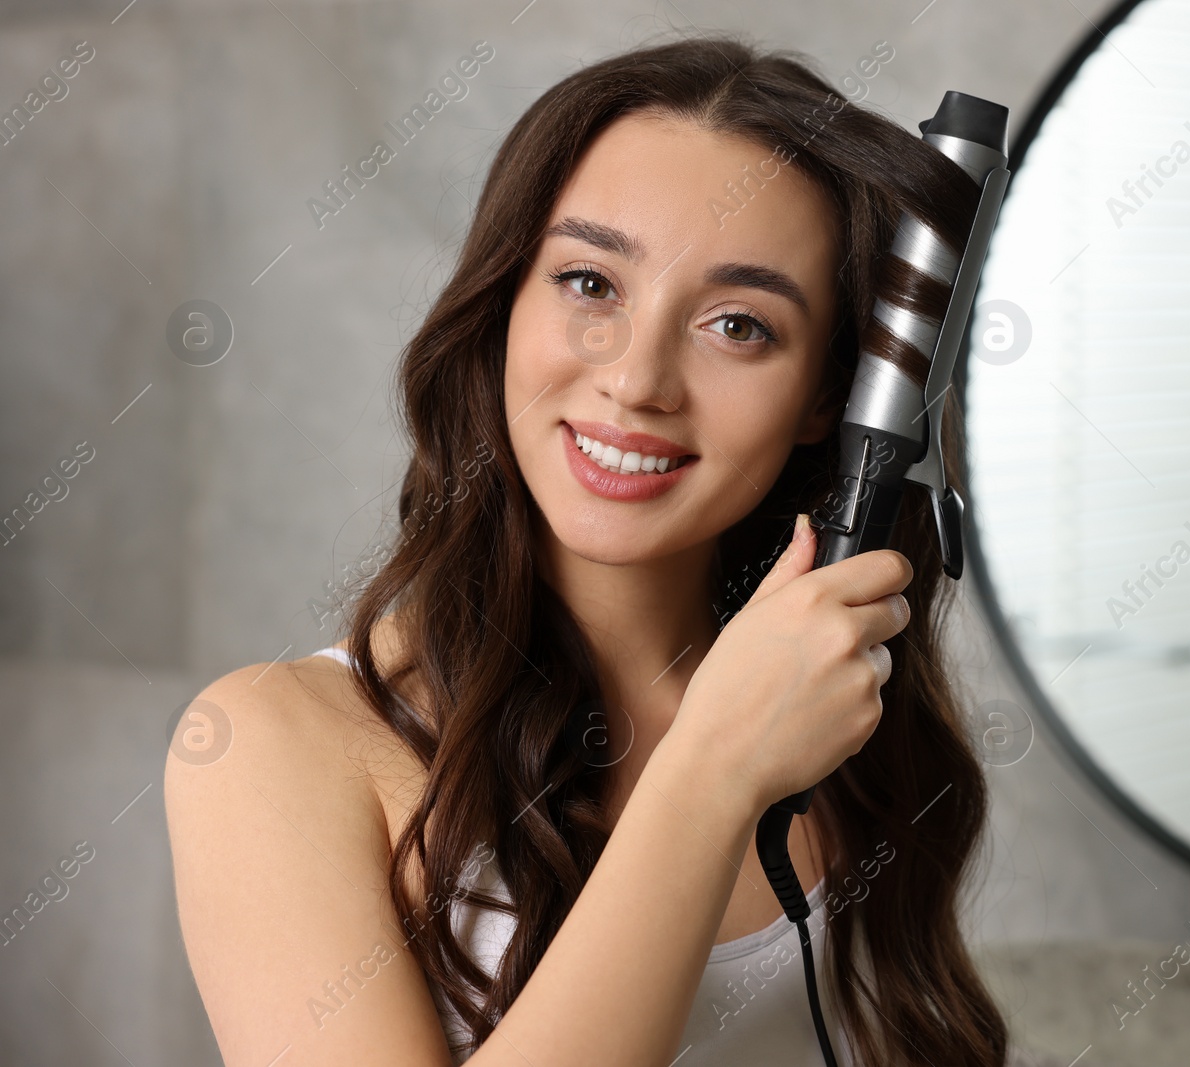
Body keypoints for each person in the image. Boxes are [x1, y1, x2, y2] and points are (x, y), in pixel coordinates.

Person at [166, 33, 1014, 1067]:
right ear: (503, 307)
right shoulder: (270, 745)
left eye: (739, 324)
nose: (636, 378)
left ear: (826, 400)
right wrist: (710, 770)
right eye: (589, 283)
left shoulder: (830, 720)